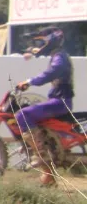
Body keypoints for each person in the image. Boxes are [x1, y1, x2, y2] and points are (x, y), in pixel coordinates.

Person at [15, 28, 76, 183]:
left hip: (59, 102)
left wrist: (29, 81)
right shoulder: (58, 55)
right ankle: (48, 174)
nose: (39, 45)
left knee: (23, 115)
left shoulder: (59, 58)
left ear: (50, 41)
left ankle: (40, 156)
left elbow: (52, 72)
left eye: (41, 42)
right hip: (58, 101)